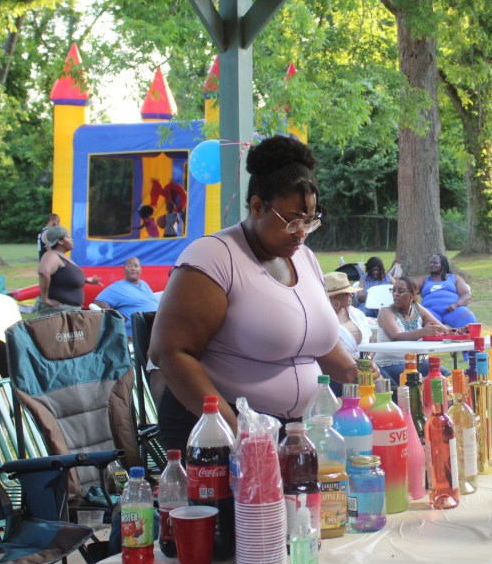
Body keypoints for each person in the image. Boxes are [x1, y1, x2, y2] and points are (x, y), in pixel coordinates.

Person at [148, 135, 360, 448]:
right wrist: (239, 433)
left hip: (296, 431)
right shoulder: (214, 257)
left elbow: (313, 342)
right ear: (258, 206)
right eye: (292, 221)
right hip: (222, 433)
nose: (301, 233)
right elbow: (171, 353)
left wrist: (358, 374)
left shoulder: (304, 258)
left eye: (310, 221)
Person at [374, 277, 452, 385]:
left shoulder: (417, 309)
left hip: (419, 362)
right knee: (417, 383)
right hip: (392, 362)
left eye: (400, 291)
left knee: (449, 378)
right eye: (394, 290)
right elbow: (396, 336)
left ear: (413, 295)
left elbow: (441, 328)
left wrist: (459, 331)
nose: (395, 294)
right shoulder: (385, 311)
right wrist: (423, 332)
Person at [36, 226, 101, 314]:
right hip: (58, 310)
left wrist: (85, 280)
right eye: (68, 237)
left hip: (69, 310)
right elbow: (43, 272)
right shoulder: (52, 255)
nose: (71, 240)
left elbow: (63, 278)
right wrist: (45, 298)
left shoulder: (62, 256)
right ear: (60, 241)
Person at [92, 257, 161, 338]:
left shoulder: (144, 284)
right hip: (141, 331)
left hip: (158, 325)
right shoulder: (117, 287)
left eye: (136, 266)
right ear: (124, 270)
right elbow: (98, 301)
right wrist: (116, 316)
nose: (133, 268)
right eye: (129, 266)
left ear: (140, 270)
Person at [417, 254, 477, 329]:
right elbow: (409, 289)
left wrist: (456, 305)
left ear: (443, 265)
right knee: (419, 319)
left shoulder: (454, 278)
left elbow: (466, 294)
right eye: (431, 263)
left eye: (435, 263)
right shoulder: (424, 280)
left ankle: (462, 336)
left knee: (469, 319)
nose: (432, 265)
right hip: (430, 312)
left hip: (453, 310)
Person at [327, 271, 372, 360]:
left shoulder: (356, 313)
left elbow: (371, 340)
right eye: (347, 293)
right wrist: (356, 363)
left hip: (365, 363)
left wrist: (365, 361)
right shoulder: (323, 320)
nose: (351, 295)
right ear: (335, 296)